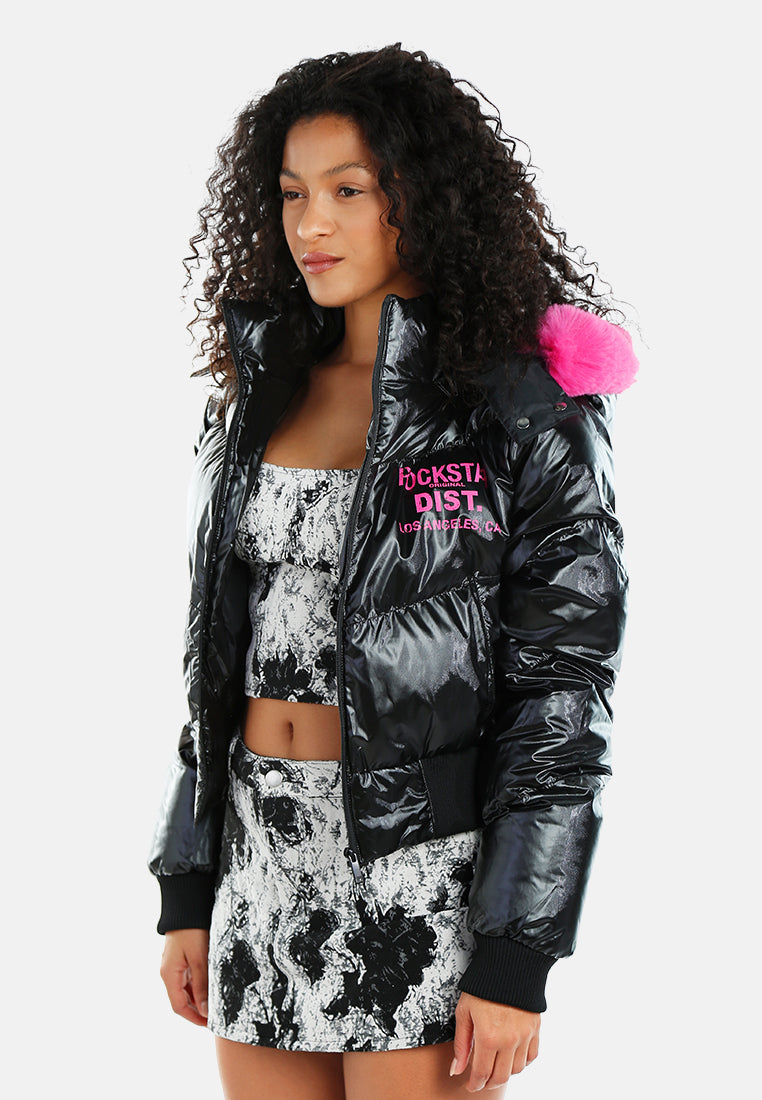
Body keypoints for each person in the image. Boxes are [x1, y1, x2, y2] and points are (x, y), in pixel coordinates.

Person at [147, 43, 637, 1099]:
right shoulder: (260, 390)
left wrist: (516, 952)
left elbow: (563, 688)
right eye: (291, 193)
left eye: (348, 190)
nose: (310, 224)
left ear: (422, 195)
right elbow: (214, 655)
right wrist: (187, 879)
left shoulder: (519, 406)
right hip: (261, 860)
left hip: (422, 874)